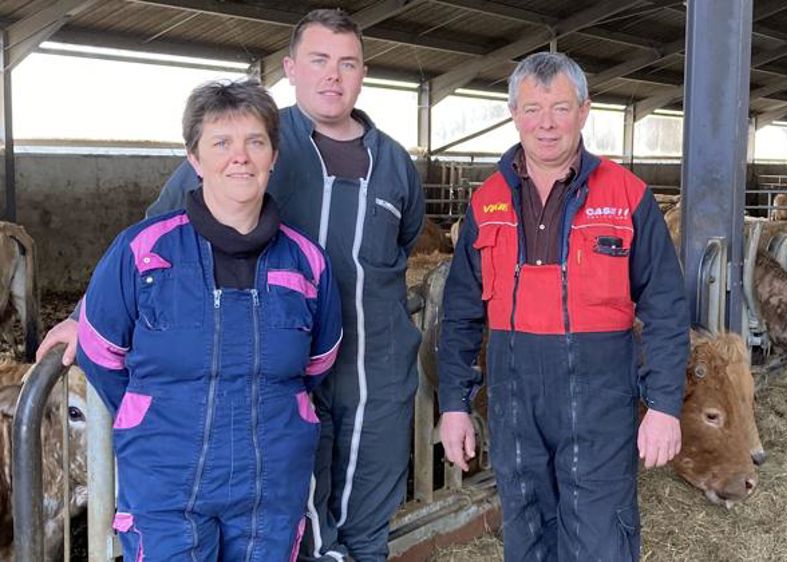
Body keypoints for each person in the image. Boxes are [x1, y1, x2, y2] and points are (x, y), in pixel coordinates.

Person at [39, 9, 424, 562]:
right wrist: (87, 318)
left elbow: (407, 241)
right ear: (291, 68)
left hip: (364, 365)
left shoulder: (394, 165)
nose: (332, 76)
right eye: (318, 61)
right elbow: (153, 236)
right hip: (275, 382)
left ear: (364, 72)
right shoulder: (252, 130)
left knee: (367, 513)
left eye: (347, 63)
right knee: (304, 520)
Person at [436, 52, 690, 561]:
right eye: (531, 109)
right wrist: (454, 405)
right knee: (527, 532)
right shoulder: (486, 202)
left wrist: (663, 406)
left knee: (600, 539)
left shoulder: (627, 196)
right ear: (513, 113)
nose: (545, 123)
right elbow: (459, 314)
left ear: (584, 111)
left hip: (599, 402)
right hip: (513, 403)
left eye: (559, 108)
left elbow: (665, 306)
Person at [77, 79, 343, 559]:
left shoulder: (307, 261)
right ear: (195, 160)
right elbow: (99, 351)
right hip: (166, 481)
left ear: (273, 156)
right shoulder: (142, 252)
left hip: (271, 480)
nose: (239, 157)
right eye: (221, 143)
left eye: (254, 142)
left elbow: (319, 360)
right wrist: (154, 415)